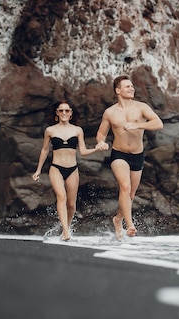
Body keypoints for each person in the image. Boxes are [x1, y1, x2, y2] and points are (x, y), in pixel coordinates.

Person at [95, 75, 164, 240]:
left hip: (137, 155)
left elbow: (158, 123)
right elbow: (101, 133)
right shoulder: (110, 112)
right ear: (118, 90)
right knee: (124, 187)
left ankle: (117, 219)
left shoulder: (141, 108)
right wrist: (101, 142)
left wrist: (138, 124)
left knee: (131, 195)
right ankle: (130, 224)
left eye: (132, 86)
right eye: (127, 86)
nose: (131, 88)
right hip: (119, 154)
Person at [32, 100, 108, 241]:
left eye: (67, 111)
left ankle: (65, 227)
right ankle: (66, 232)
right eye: (61, 111)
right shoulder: (50, 130)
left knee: (71, 204)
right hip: (56, 168)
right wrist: (38, 170)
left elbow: (83, 151)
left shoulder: (77, 130)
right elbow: (44, 150)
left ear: (71, 113)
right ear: (57, 113)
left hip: (72, 169)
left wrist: (96, 148)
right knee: (61, 196)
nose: (64, 113)